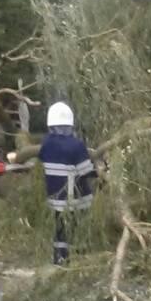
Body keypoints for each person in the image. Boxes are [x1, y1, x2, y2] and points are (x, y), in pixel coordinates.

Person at [38, 102, 97, 265]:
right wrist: (100, 171)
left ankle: (59, 257)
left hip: (54, 195)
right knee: (77, 225)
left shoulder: (46, 144)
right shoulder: (77, 145)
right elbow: (86, 171)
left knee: (60, 228)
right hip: (74, 196)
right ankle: (80, 254)